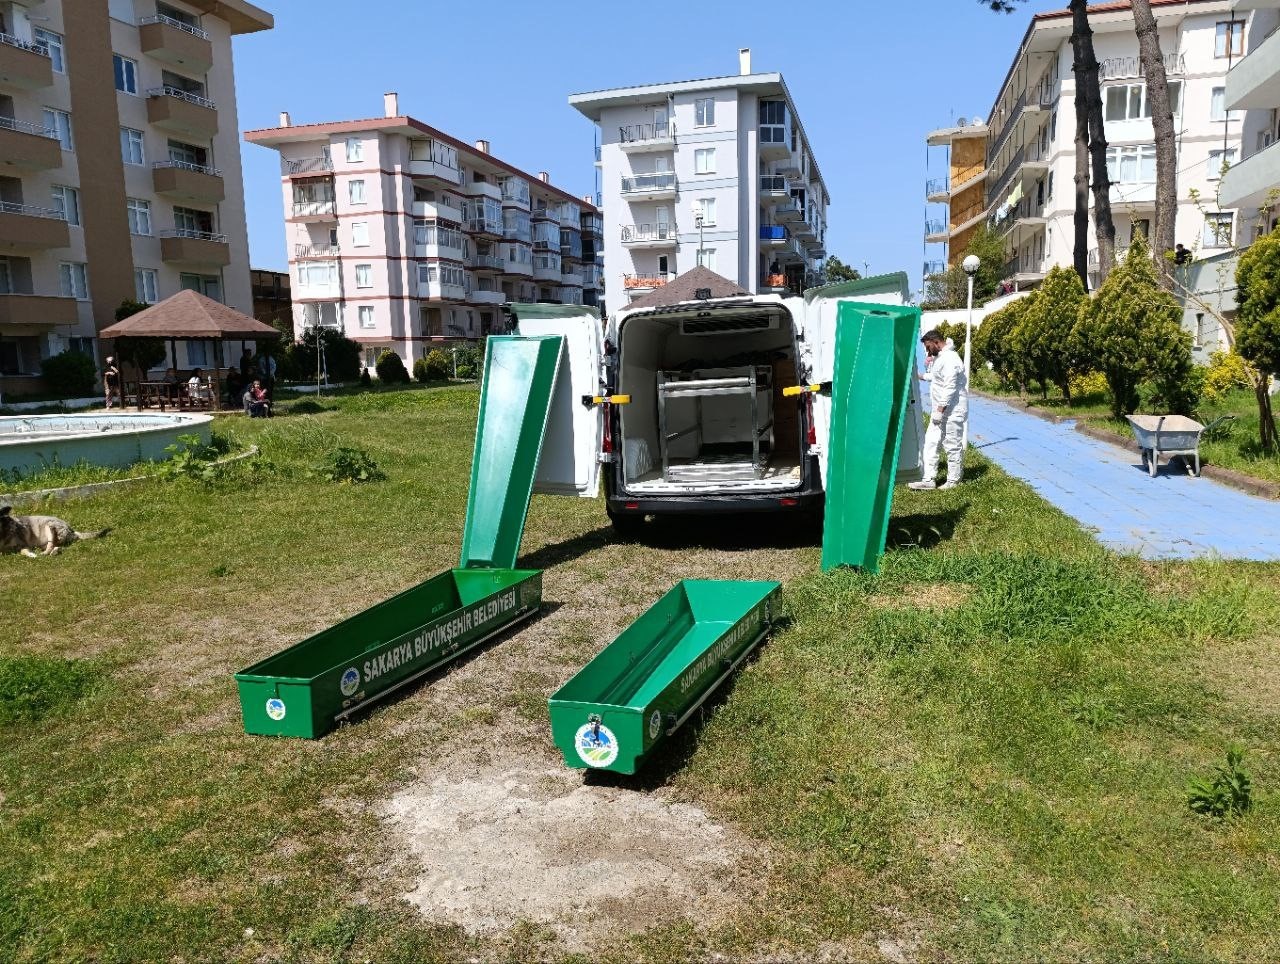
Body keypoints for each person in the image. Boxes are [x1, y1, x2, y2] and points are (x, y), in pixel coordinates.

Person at [908, 329, 968, 491]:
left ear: (936, 342)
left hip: (952, 411)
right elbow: (936, 378)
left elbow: (950, 386)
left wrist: (940, 410)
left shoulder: (950, 359)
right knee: (931, 443)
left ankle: (953, 480)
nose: (927, 351)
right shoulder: (941, 357)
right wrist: (918, 375)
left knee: (952, 445)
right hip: (940, 411)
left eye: (928, 347)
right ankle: (928, 479)